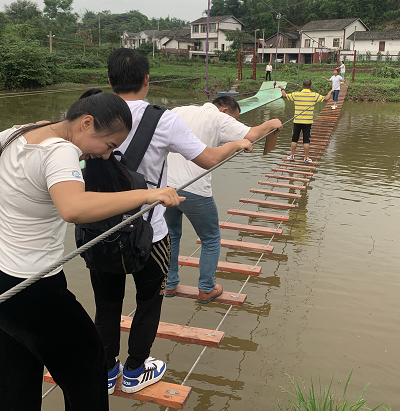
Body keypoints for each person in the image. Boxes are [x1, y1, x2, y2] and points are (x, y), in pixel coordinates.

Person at [0, 91, 182, 411]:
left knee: (17, 373)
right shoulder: (61, 151)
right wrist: (147, 195)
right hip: (35, 287)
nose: (105, 155)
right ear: (86, 123)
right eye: (110, 145)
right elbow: (73, 207)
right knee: (89, 367)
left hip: (4, 279)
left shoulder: (16, 133)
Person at [90, 48, 253, 395]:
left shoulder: (90, 115)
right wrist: (238, 143)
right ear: (147, 80)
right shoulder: (162, 119)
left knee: (106, 306)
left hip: (99, 228)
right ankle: (135, 372)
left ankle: (105, 372)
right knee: (149, 300)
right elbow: (208, 158)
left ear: (109, 81)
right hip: (150, 232)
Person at [164, 96, 282, 302]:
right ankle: (206, 288)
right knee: (210, 238)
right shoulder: (217, 117)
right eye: (234, 120)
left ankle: (169, 284)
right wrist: (272, 123)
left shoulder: (178, 110)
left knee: (172, 235)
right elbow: (253, 134)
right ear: (226, 111)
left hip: (165, 188)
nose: (233, 125)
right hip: (195, 188)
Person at [278, 80, 333, 163]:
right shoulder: (314, 95)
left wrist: (282, 88)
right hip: (307, 122)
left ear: (302, 86)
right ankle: (306, 158)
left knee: (294, 139)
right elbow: (326, 99)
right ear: (310, 87)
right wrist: (330, 92)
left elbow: (284, 95)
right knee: (306, 140)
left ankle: (292, 156)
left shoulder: (296, 94)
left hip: (297, 121)